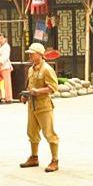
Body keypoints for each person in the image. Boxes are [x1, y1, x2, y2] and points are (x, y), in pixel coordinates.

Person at [19, 43, 60, 173]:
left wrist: (39, 91)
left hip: (44, 105)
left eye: (32, 53)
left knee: (49, 133)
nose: (30, 56)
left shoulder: (47, 69)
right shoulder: (31, 69)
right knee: (31, 132)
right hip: (32, 105)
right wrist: (26, 96)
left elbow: (53, 88)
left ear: (40, 54)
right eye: (29, 54)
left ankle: (55, 160)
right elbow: (29, 85)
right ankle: (34, 157)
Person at [0, 33, 14, 103]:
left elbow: (4, 58)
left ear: (5, 39)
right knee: (2, 83)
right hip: (0, 67)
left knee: (7, 83)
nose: (0, 40)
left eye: (2, 38)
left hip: (5, 66)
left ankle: (9, 98)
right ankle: (3, 97)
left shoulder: (6, 47)